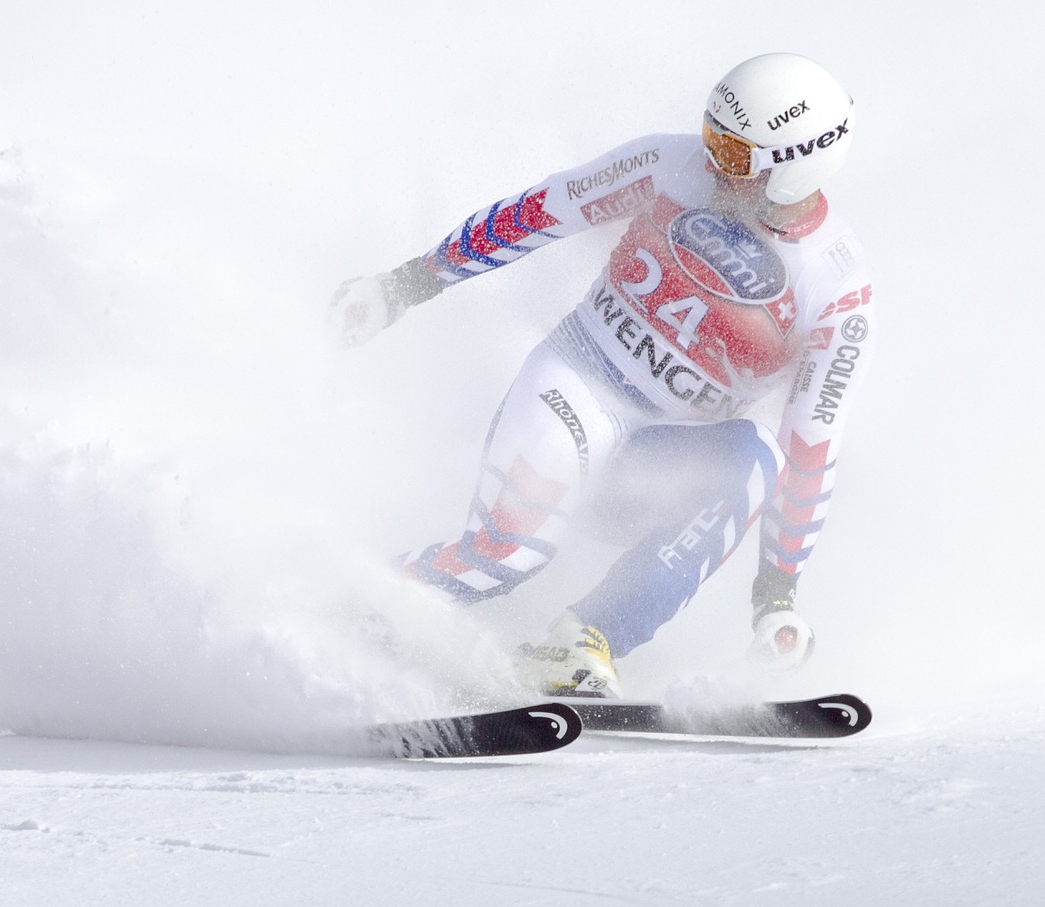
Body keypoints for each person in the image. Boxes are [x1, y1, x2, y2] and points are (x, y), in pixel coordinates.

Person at [329, 53, 878, 699]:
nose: (711, 161)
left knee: (756, 457)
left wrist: (777, 594)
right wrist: (402, 286)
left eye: (732, 153)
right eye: (710, 136)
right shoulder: (667, 165)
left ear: (793, 167)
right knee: (508, 556)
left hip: (655, 466)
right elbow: (539, 213)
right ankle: (351, 608)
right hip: (576, 389)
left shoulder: (837, 286)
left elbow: (811, 446)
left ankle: (582, 640)